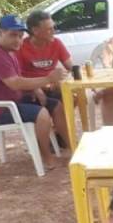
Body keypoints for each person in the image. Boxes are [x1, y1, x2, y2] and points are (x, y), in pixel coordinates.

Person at [0, 14, 68, 171]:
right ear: (0, 32)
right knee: (42, 114)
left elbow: (19, 79)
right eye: (12, 35)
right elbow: (15, 82)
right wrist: (48, 79)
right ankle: (47, 158)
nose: (17, 40)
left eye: (20, 36)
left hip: (12, 101)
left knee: (56, 105)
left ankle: (71, 147)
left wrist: (34, 88)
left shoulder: (9, 52)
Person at [17, 9, 73, 147]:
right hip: (30, 91)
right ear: (35, 30)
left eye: (53, 27)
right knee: (58, 105)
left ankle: (60, 134)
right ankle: (67, 143)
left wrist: (64, 78)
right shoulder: (22, 47)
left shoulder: (56, 43)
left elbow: (71, 66)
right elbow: (17, 77)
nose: (54, 31)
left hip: (50, 87)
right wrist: (36, 88)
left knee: (73, 97)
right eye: (49, 29)